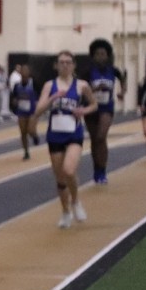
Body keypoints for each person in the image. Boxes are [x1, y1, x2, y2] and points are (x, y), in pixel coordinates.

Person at [32, 51, 98, 229]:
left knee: (69, 170)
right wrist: (52, 98)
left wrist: (83, 111)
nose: (65, 65)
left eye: (68, 62)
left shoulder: (82, 85)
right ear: (56, 65)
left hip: (74, 133)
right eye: (61, 62)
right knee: (60, 177)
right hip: (55, 134)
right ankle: (65, 211)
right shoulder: (49, 85)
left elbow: (94, 104)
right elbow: (38, 111)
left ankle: (75, 201)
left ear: (74, 65)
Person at [82, 38, 123, 184]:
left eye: (103, 54)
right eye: (97, 54)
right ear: (93, 56)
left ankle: (103, 170)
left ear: (107, 56)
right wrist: (93, 89)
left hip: (106, 107)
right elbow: (81, 89)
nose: (100, 57)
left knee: (101, 137)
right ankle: (97, 169)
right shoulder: (88, 72)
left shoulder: (113, 70)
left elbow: (122, 79)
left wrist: (122, 92)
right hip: (91, 108)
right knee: (94, 140)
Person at [10, 63, 39, 160]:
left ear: (29, 72)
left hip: (32, 112)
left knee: (30, 130)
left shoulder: (34, 83)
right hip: (21, 111)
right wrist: (14, 101)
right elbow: (13, 96)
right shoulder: (17, 85)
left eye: (26, 70)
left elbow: (40, 94)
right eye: (22, 70)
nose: (24, 72)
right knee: (23, 133)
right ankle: (26, 152)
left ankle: (34, 136)